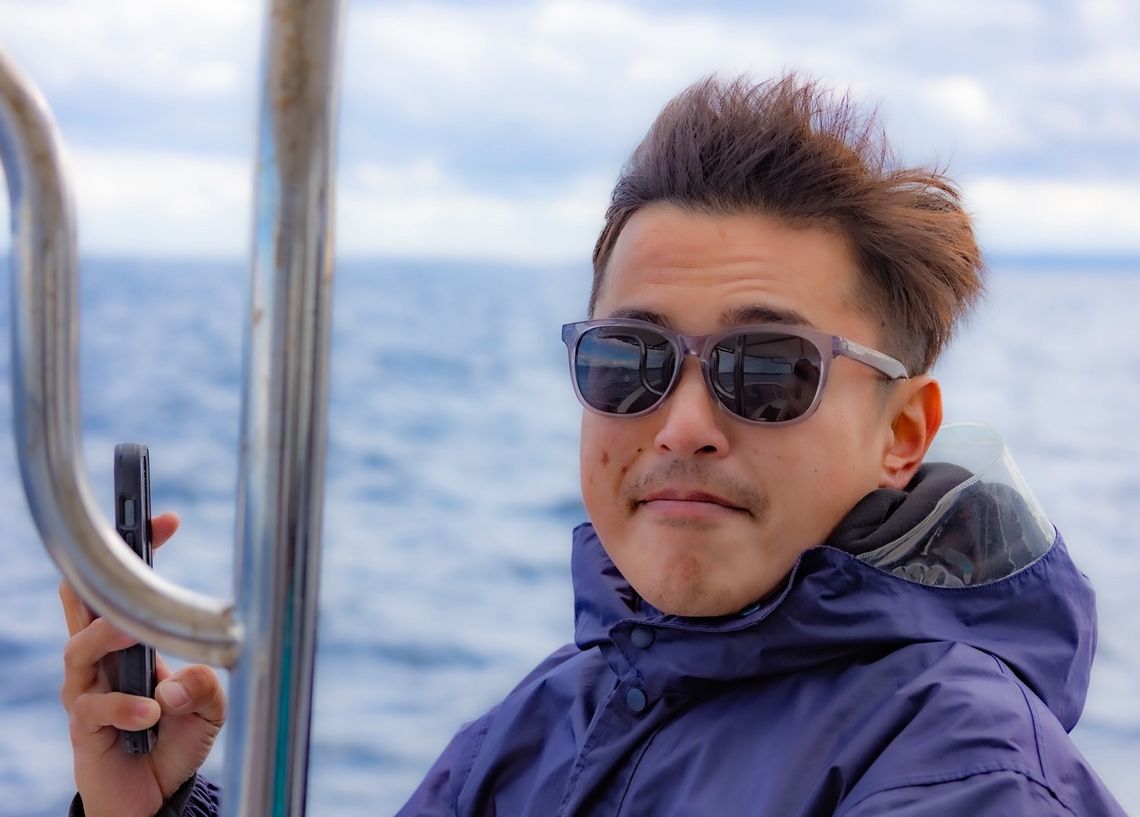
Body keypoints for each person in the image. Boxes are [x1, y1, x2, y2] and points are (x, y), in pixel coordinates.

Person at [59, 74, 1127, 816]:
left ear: (901, 433)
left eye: (767, 370)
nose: (685, 425)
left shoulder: (964, 768)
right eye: (631, 361)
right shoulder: (542, 724)